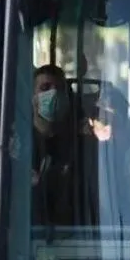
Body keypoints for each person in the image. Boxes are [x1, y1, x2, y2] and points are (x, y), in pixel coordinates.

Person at [31, 64, 98, 228]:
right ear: (33, 97)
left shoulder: (81, 145)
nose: (53, 94)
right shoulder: (21, 143)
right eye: (45, 88)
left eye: (60, 89)